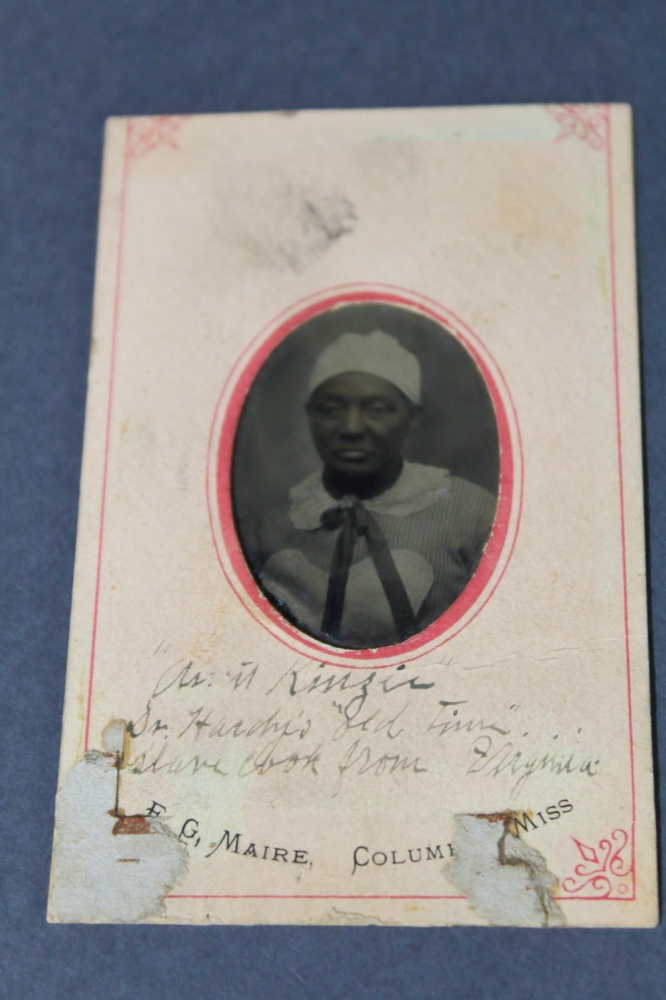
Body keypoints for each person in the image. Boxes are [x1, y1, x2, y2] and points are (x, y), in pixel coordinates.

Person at [252, 330, 497, 649]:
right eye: (330, 409)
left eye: (378, 409)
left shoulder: (475, 515)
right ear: (310, 414)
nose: (351, 427)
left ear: (412, 417)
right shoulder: (273, 528)